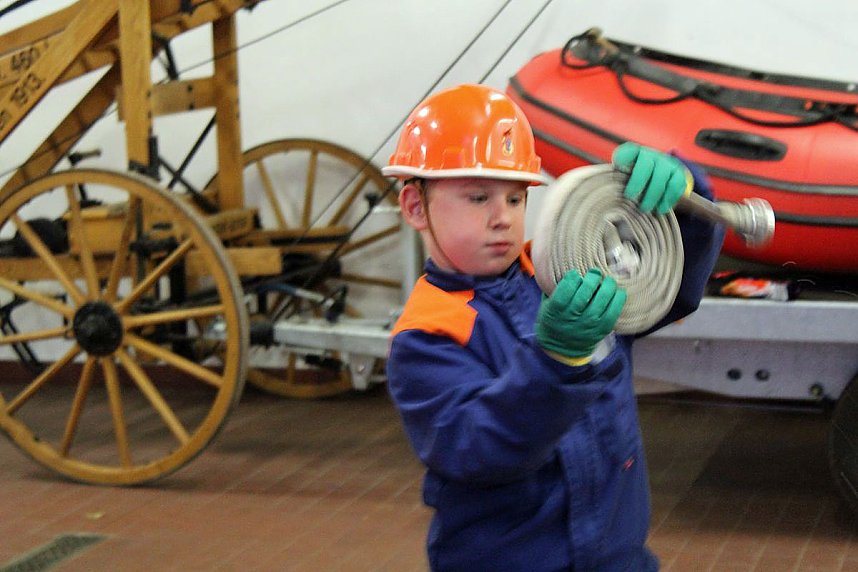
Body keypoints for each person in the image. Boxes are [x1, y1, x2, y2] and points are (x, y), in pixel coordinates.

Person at [383, 83, 724, 571]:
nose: (503, 219)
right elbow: (478, 449)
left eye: (515, 198)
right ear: (416, 207)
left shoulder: (565, 274)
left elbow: (668, 288)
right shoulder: (428, 335)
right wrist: (554, 363)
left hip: (617, 558)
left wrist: (688, 203)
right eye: (478, 197)